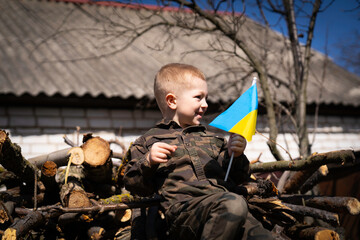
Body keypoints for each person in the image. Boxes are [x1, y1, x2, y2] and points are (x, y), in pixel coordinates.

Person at [123, 63, 273, 239]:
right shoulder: (148, 142)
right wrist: (148, 161)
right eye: (198, 97)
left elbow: (239, 178)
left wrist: (237, 156)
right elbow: (135, 185)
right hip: (184, 215)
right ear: (172, 101)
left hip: (226, 208)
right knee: (233, 204)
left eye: (206, 98)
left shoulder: (214, 140)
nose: (206, 104)